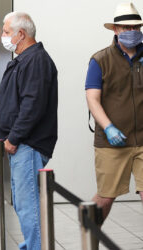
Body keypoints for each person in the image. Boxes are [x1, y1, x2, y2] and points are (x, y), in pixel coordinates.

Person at [0, 12, 58, 250]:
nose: (3, 36)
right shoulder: (24, 59)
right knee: (23, 203)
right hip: (21, 144)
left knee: (28, 204)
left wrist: (13, 137)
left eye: (6, 32)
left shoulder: (36, 60)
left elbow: (32, 105)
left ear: (21, 34)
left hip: (26, 145)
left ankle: (36, 246)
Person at [85, 2, 143, 225]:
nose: (132, 32)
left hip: (142, 139)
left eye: (136, 27)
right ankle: (88, 238)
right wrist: (108, 127)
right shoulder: (100, 60)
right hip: (112, 143)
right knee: (106, 197)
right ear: (116, 30)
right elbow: (92, 98)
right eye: (126, 28)